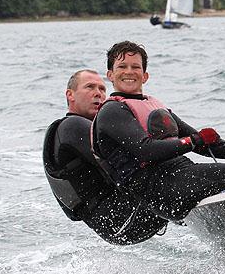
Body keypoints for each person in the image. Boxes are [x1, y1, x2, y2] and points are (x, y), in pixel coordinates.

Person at [92, 41, 225, 222]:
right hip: (158, 188)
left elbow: (208, 145)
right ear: (110, 74)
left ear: (145, 75)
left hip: (181, 176)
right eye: (122, 67)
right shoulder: (112, 111)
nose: (129, 72)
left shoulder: (152, 105)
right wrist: (193, 141)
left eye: (135, 67)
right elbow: (146, 150)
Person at [43, 69, 168, 245]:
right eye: (90, 87)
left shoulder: (85, 129)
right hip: (120, 217)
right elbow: (133, 158)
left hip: (115, 225)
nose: (98, 94)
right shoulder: (72, 126)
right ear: (70, 95)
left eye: (102, 89)